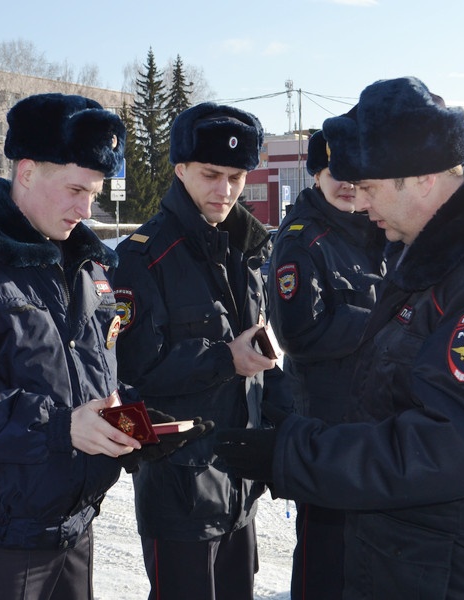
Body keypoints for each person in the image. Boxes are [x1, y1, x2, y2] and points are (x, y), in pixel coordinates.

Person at [215, 76, 464, 599]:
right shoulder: (444, 255)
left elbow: (451, 448)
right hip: (431, 555)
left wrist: (293, 454)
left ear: (422, 179)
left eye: (370, 188)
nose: (359, 203)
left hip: (463, 570)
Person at [0, 93, 208, 600]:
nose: (86, 208)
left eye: (95, 191)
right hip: (0, 540)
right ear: (26, 171)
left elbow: (93, 377)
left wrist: (133, 420)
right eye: (74, 189)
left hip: (77, 525)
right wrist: (62, 428)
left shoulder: (88, 267)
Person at [111, 102, 289, 600]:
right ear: (181, 168)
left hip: (239, 484)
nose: (226, 190)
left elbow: (259, 356)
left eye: (236, 176)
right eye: (212, 174)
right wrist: (223, 359)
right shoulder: (143, 256)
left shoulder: (244, 249)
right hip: (179, 491)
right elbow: (130, 373)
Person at [267, 129, 385, 599]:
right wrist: (386, 323)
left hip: (373, 418)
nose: (347, 183)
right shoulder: (302, 240)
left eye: (356, 173)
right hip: (325, 422)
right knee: (324, 556)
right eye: (335, 171)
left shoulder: (375, 230)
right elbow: (301, 332)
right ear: (316, 174)